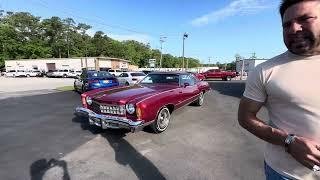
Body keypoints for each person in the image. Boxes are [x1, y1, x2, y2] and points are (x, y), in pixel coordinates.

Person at [238, 0, 320, 179]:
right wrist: (288, 141)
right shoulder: (265, 70)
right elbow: (245, 118)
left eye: (305, 19)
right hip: (285, 174)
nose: (293, 29)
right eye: (287, 24)